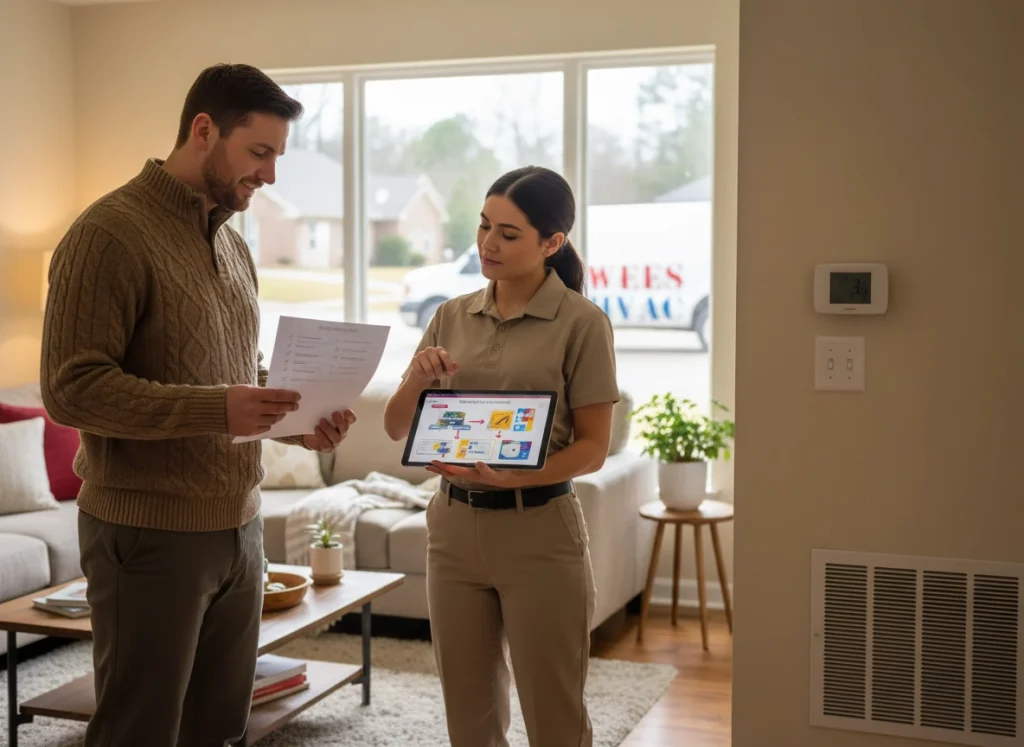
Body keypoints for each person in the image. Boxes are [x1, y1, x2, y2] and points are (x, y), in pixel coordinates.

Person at [40, 63, 356, 747]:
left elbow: (234, 372)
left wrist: (301, 420)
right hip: (148, 535)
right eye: (260, 152)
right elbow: (70, 388)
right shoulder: (107, 234)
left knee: (220, 729)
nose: (270, 176)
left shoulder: (235, 245)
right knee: (139, 730)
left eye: (277, 156)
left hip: (240, 530)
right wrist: (218, 409)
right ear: (203, 130)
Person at [383, 165, 619, 747]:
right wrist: (417, 377)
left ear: (552, 243)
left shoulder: (583, 323)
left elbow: (593, 447)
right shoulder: (449, 314)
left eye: (509, 234)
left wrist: (521, 472)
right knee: (470, 719)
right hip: (453, 530)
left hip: (539, 533)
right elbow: (395, 425)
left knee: (554, 718)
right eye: (484, 226)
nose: (488, 244)